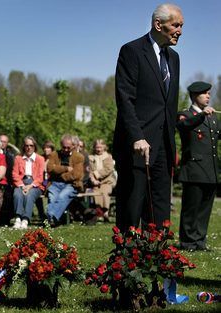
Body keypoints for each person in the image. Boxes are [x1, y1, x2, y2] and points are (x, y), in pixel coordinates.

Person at [114, 3, 183, 231]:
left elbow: (166, 105)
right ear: (158, 24)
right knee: (132, 207)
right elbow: (125, 98)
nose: (180, 30)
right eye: (175, 25)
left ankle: (158, 260)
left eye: (181, 25)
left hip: (163, 146)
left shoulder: (174, 59)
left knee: (160, 209)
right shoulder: (132, 51)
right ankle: (126, 261)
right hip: (137, 145)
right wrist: (136, 136)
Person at [176, 81, 217, 251]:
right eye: (204, 93)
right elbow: (184, 125)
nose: (208, 96)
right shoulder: (185, 114)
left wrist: (206, 115)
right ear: (194, 96)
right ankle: (187, 241)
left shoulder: (213, 118)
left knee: (204, 209)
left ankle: (199, 240)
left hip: (211, 170)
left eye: (209, 93)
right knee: (191, 208)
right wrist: (201, 115)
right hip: (193, 169)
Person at [46, 134, 84, 224]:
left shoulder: (79, 157)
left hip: (72, 184)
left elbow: (76, 175)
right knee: (53, 197)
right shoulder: (54, 155)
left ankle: (51, 218)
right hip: (55, 183)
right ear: (60, 145)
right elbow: (50, 169)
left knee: (62, 196)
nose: (66, 150)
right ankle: (52, 219)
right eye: (64, 147)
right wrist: (66, 169)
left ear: (73, 146)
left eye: (68, 147)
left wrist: (60, 174)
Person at [12, 136, 45, 229]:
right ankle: (18, 218)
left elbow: (40, 177)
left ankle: (25, 219)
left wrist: (30, 186)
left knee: (29, 195)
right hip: (21, 182)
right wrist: (22, 186)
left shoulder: (40, 159)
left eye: (31, 145)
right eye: (26, 145)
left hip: (35, 184)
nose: (29, 147)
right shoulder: (18, 158)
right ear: (24, 147)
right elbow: (15, 174)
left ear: (34, 147)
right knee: (17, 193)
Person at [88, 139, 117, 221]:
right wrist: (93, 179)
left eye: (100, 147)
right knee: (96, 193)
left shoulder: (108, 157)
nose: (98, 149)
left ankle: (105, 212)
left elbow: (108, 169)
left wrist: (96, 174)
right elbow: (89, 170)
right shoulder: (91, 158)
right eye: (97, 147)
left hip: (107, 181)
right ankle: (99, 213)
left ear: (104, 147)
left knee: (105, 192)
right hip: (95, 182)